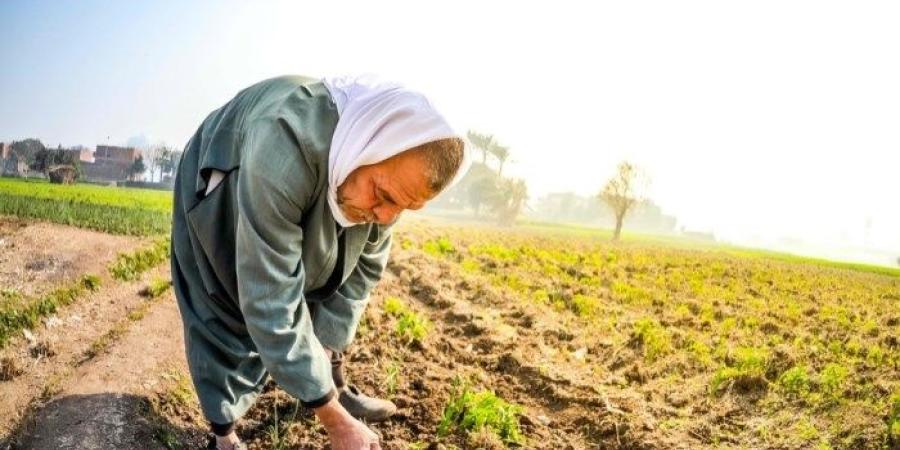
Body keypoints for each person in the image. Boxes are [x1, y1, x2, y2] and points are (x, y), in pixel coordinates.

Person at [170, 74, 470, 450]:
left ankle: (333, 383)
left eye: (404, 207)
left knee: (339, 262)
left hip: (322, 174)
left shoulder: (386, 177)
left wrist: (325, 360)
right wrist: (336, 423)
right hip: (227, 174)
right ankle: (223, 431)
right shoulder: (282, 145)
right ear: (367, 146)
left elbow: (362, 274)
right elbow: (270, 295)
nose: (386, 215)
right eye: (383, 196)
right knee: (224, 300)